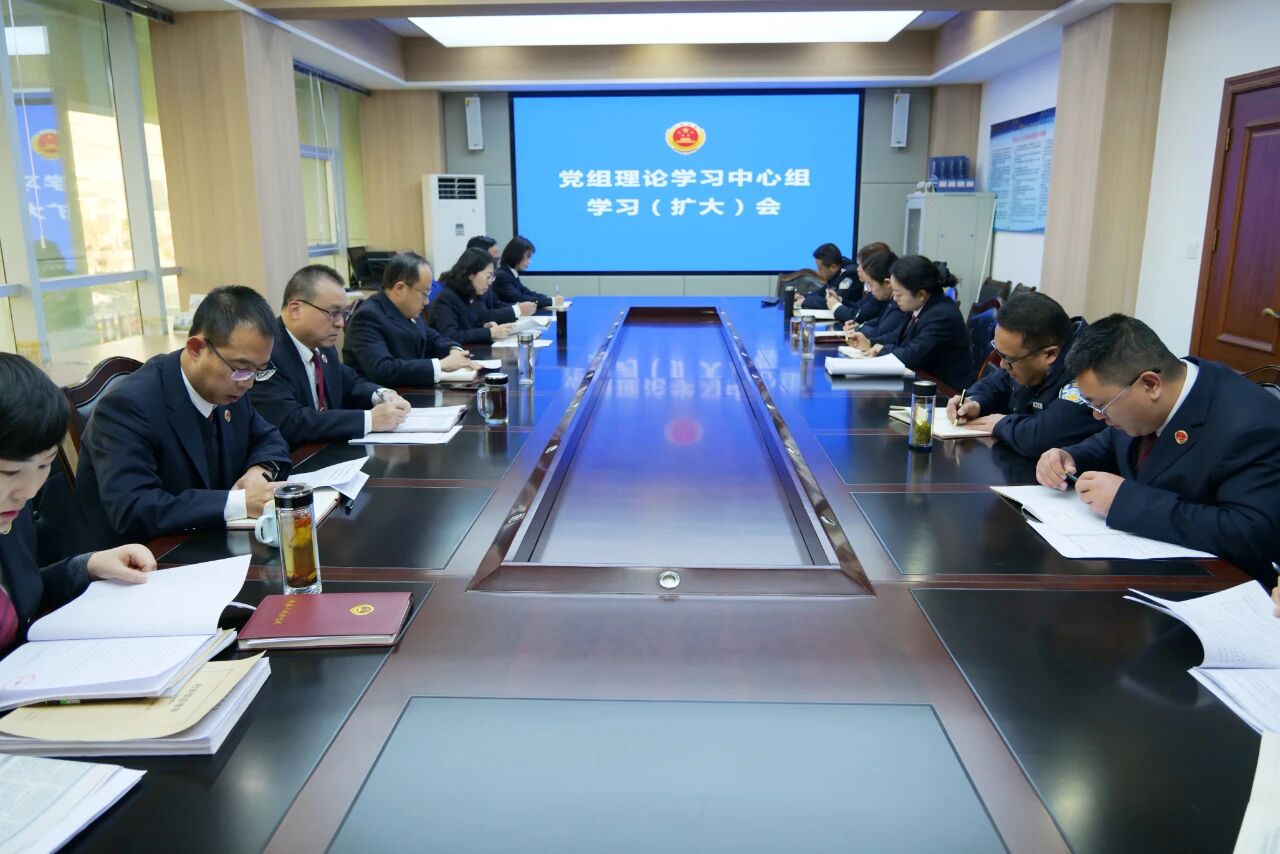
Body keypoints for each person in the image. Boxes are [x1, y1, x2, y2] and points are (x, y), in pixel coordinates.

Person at [1035, 314, 1280, 583]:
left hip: (1217, 583)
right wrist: (1070, 457)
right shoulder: (1156, 391)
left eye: (1102, 405)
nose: (1096, 415)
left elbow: (1248, 532)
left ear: (1151, 384)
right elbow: (1111, 444)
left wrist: (1126, 502)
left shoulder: (1250, 427)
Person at [74, 286, 293, 551]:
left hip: (207, 541)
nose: (248, 383)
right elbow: (135, 508)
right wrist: (239, 502)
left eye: (259, 371)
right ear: (196, 348)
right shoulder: (127, 406)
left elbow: (269, 437)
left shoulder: (228, 387)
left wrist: (259, 471)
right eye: (241, 369)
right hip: (144, 557)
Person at [0, 355, 156, 653]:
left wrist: (88, 566)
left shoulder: (10, 510)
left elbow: (17, 597)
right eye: (9, 472)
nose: (29, 491)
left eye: (44, 465)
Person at [250, 265, 411, 448]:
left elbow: (349, 382)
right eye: (333, 313)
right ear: (296, 310)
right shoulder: (266, 353)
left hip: (326, 451)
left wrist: (380, 394)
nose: (340, 323)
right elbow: (290, 421)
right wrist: (369, 420)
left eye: (343, 313)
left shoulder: (323, 347)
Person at [945, 292, 1104, 458]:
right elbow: (997, 383)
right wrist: (975, 402)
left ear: (1049, 354)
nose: (1001, 364)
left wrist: (1002, 424)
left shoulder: (1088, 370)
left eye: (1007, 358)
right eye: (999, 353)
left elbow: (1043, 437)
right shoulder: (1025, 355)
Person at [343, 251, 480, 387]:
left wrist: (454, 349)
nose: (426, 301)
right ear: (400, 288)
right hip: (382, 396)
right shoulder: (367, 317)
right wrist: (441, 365)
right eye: (424, 294)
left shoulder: (407, 309)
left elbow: (433, 339)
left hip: (411, 390)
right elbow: (383, 369)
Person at [845, 255, 972, 391]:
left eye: (899, 294)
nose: (895, 298)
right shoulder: (919, 305)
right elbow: (896, 336)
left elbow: (913, 355)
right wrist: (870, 342)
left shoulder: (941, 315)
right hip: (920, 381)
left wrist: (881, 350)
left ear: (921, 294)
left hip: (944, 391)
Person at [429, 248, 517, 346]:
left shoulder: (469, 294)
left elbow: (467, 326)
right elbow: (452, 336)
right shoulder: (446, 299)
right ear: (471, 274)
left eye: (492, 278)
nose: (490, 282)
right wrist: (490, 332)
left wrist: (485, 326)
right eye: (488, 276)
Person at [467, 236, 536, 319]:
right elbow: (482, 315)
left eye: (497, 260)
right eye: (494, 260)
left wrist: (519, 307)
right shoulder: (467, 285)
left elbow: (496, 304)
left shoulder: (487, 280)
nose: (496, 264)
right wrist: (518, 310)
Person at [842, 249, 902, 338]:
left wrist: (857, 329)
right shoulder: (889, 300)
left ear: (887, 283)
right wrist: (859, 325)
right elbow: (880, 322)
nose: (870, 289)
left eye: (871, 285)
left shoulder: (899, 305)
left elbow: (880, 333)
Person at [796, 243, 861, 314]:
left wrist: (805, 301)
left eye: (820, 268)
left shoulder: (850, 274)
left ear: (833, 267)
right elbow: (822, 293)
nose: (818, 272)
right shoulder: (836, 274)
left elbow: (834, 301)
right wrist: (803, 297)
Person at [493, 236, 556, 309]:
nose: (529, 262)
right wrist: (551, 301)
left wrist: (549, 298)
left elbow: (527, 293)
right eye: (528, 257)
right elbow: (520, 298)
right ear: (516, 255)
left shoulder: (511, 273)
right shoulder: (502, 276)